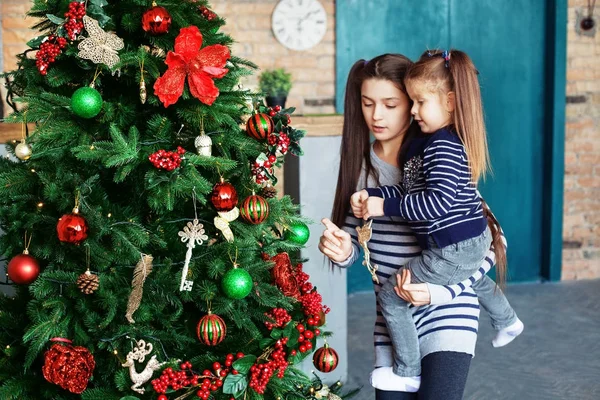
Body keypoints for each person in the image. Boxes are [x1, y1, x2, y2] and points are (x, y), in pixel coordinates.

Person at [318, 53, 520, 400]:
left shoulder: (437, 157)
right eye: (368, 104)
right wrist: (342, 249)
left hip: (448, 309)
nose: (376, 115)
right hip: (394, 324)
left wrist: (443, 293)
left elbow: (490, 242)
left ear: (413, 103)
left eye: (390, 104)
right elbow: (355, 246)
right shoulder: (361, 170)